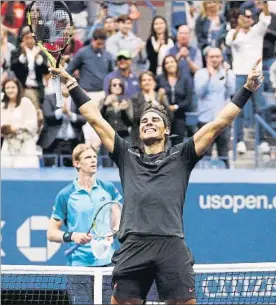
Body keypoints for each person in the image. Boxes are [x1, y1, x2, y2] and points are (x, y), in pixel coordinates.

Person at [49, 57, 263, 304]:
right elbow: (95, 119)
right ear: (139, 131)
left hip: (170, 243)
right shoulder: (125, 154)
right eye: (144, 121)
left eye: (155, 121)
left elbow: (219, 123)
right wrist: (73, 84)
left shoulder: (182, 155)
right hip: (133, 245)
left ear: (165, 130)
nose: (148, 123)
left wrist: (247, 89)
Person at [47, 143, 122, 303]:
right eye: (88, 157)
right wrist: (72, 236)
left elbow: (118, 220)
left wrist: (114, 231)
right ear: (77, 163)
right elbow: (51, 233)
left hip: (107, 263)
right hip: (79, 266)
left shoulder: (108, 188)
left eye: (95, 157)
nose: (93, 160)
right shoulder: (66, 194)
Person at [194, 47, 236, 168]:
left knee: (224, 153)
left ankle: (228, 179)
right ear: (207, 58)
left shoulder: (227, 73)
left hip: (222, 120)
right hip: (205, 119)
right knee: (204, 154)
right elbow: (199, 92)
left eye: (217, 56)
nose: (214, 59)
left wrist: (227, 75)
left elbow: (230, 91)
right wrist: (209, 76)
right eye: (211, 57)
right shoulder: (200, 73)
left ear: (221, 58)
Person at [1, 77, 39, 168]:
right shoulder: (2, 105)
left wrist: (17, 128)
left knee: (25, 173)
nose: (10, 90)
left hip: (25, 143)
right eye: (7, 88)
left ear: (18, 88)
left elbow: (33, 123)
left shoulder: (25, 102)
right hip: (8, 144)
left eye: (13, 87)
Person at [157, 55, 193, 145]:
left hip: (179, 116)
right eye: (167, 63)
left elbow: (188, 100)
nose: (170, 64)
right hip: (163, 116)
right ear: (164, 66)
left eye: (172, 62)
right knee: (162, 144)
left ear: (177, 64)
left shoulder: (185, 79)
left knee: (177, 144)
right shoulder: (159, 78)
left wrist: (176, 107)